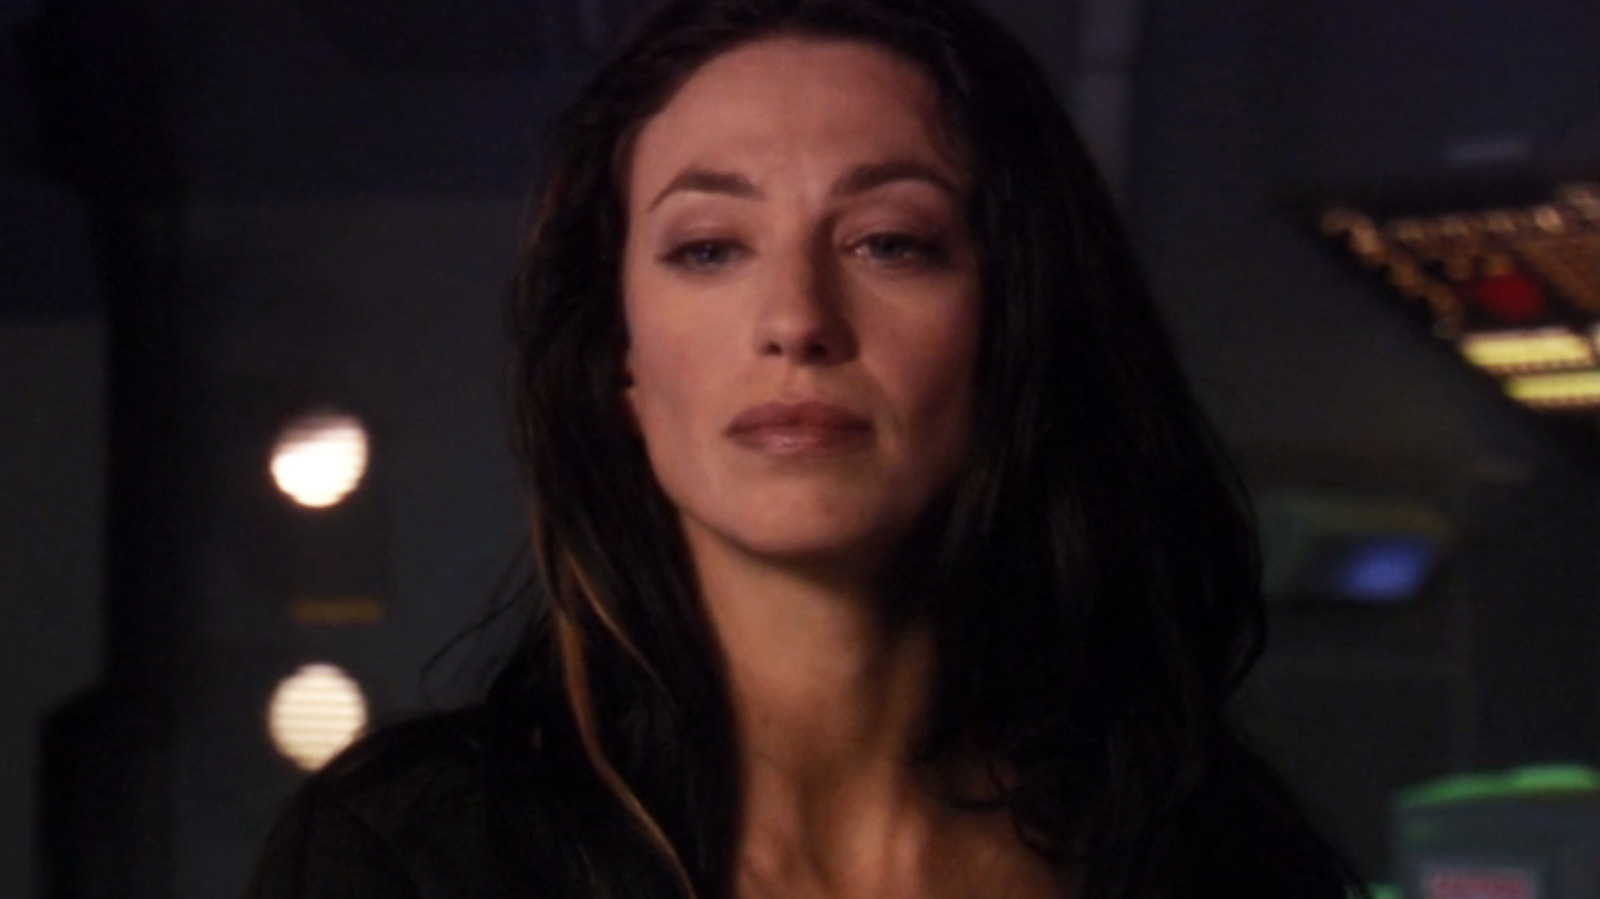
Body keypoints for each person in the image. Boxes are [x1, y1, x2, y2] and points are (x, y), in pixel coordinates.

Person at [246, 0, 1364, 896]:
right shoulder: (415, 855)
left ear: (1016, 325)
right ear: (622, 357)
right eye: (708, 248)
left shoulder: (1213, 858)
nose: (796, 319)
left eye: (889, 242)